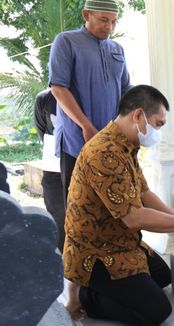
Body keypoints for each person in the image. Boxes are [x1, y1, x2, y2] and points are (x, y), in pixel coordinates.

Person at [63, 85, 174, 325]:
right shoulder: (104, 152)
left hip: (123, 241)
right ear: (138, 115)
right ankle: (83, 295)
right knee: (157, 311)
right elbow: (134, 217)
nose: (158, 131)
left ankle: (108, 290)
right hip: (99, 251)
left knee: (163, 276)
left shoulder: (125, 145)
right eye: (158, 123)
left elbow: (144, 193)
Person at [48, 0, 131, 208]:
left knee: (113, 206)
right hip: (77, 141)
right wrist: (86, 126)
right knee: (80, 206)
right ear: (86, 15)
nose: (109, 27)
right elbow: (58, 88)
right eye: (103, 20)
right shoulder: (66, 41)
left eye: (114, 22)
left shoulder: (117, 49)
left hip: (111, 142)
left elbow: (127, 92)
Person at [34, 89, 65, 251]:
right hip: (54, 171)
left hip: (85, 168)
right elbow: (43, 132)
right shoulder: (45, 99)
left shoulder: (90, 96)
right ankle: (61, 262)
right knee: (58, 218)